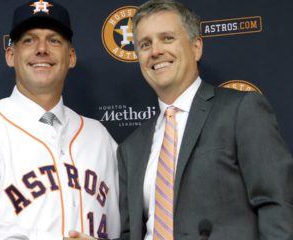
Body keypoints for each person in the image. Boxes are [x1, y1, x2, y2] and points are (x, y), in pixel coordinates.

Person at [0, 1, 120, 239]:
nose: (42, 49)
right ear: (11, 56)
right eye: (28, 40)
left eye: (54, 40)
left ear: (71, 56)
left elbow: (126, 225)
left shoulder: (99, 137)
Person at [117, 0, 293, 239]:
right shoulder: (131, 148)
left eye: (167, 38)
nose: (155, 51)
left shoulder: (241, 110)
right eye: (145, 44)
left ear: (196, 47)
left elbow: (277, 205)